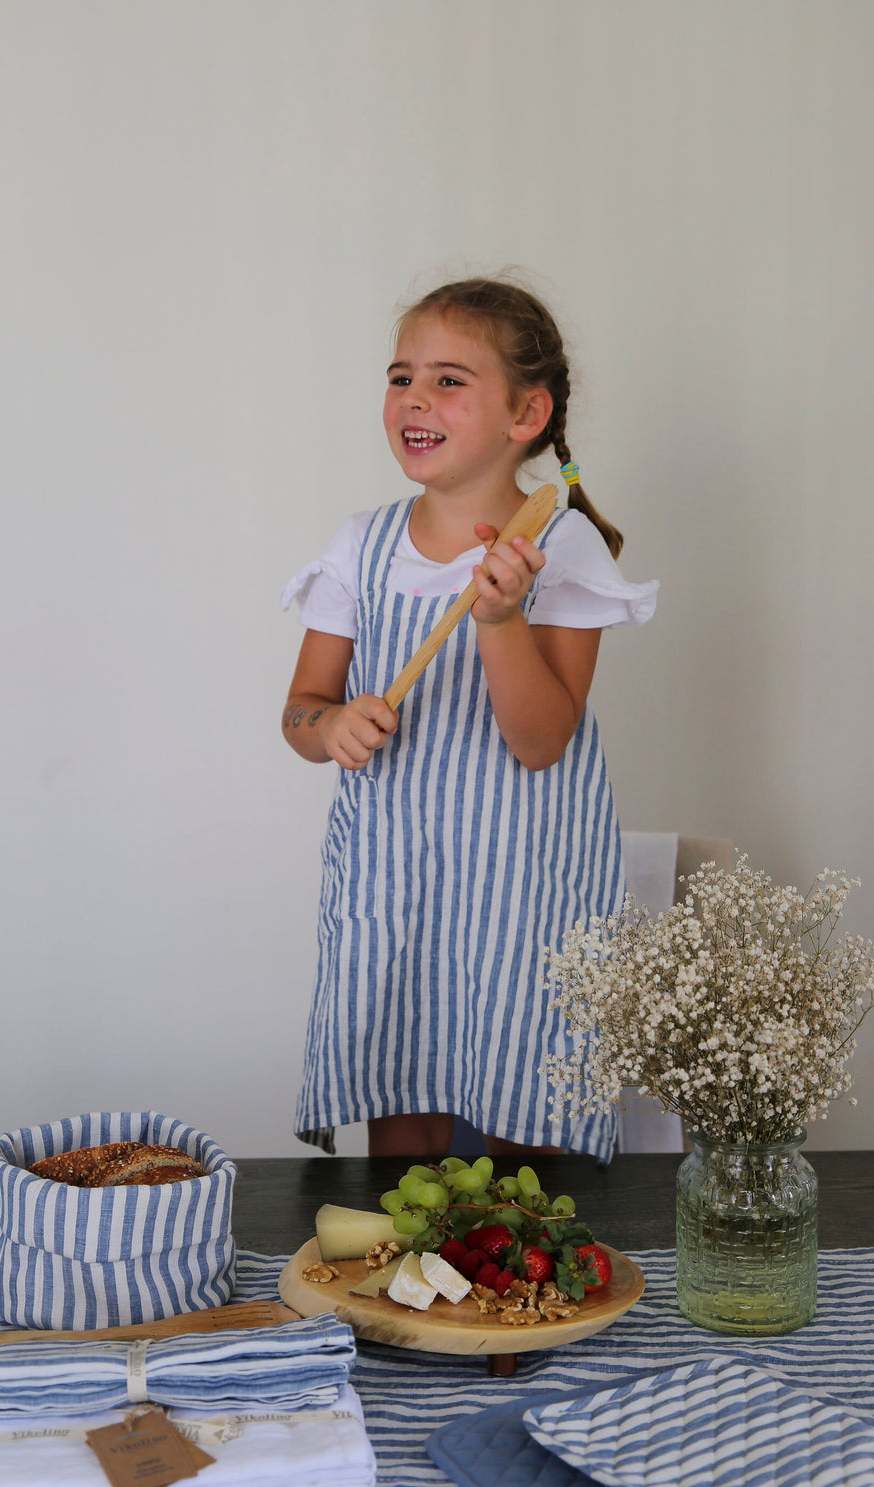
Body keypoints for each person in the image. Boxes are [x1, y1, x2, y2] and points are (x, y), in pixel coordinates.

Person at [280, 277, 658, 1160]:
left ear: (529, 411)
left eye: (449, 379)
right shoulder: (359, 546)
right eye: (401, 375)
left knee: (527, 1120)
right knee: (401, 1113)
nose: (414, 398)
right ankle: (413, 1293)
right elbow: (302, 709)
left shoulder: (556, 548)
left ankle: (525, 1292)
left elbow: (540, 740)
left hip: (522, 891)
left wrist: (498, 620)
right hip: (393, 886)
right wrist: (329, 729)